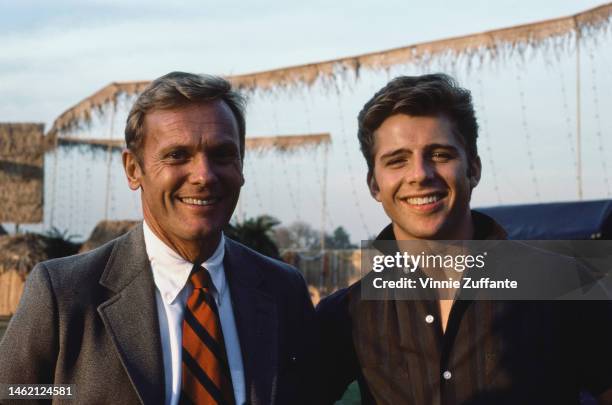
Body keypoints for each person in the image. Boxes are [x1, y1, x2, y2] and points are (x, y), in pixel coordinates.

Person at [0, 72, 316, 405]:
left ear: (241, 165)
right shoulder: (64, 293)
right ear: (133, 169)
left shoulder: (283, 291)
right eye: (177, 155)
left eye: (222, 154)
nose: (204, 175)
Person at [316, 74, 612, 404]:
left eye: (440, 155)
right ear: (374, 184)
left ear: (473, 169)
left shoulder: (565, 283)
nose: (420, 174)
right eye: (397, 160)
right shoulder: (346, 315)